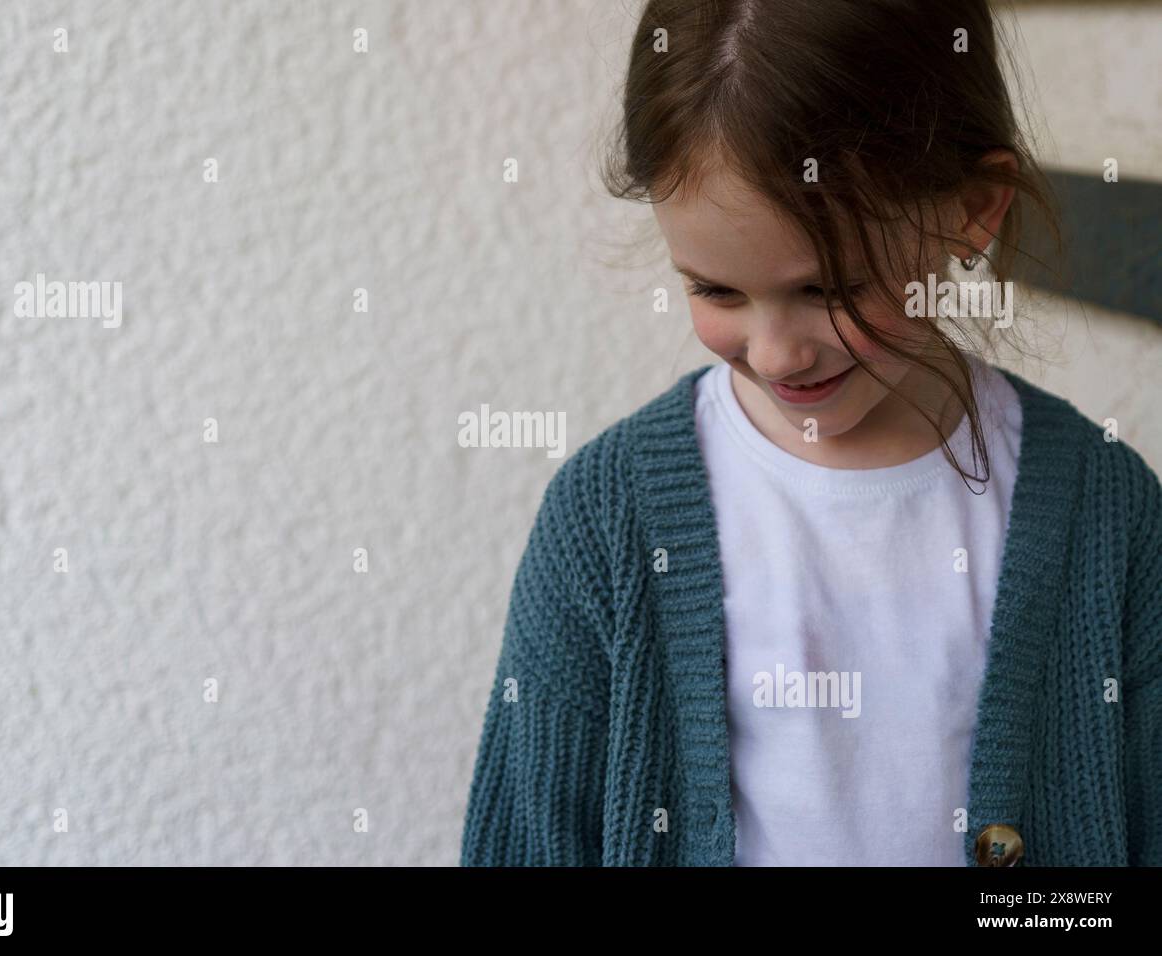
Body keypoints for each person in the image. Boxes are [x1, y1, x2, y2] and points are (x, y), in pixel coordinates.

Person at [459, 0, 1161, 866]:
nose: (777, 351)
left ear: (974, 209)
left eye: (829, 290)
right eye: (716, 292)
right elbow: (526, 839)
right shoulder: (605, 523)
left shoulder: (1108, 514)